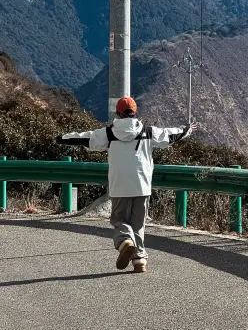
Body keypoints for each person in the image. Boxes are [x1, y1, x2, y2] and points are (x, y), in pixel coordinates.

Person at [56, 96, 196, 273]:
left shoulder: (109, 133)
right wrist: (188, 129)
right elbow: (171, 135)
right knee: (138, 224)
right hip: (142, 185)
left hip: (120, 185)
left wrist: (61, 137)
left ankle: (125, 241)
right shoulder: (148, 131)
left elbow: (86, 138)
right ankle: (139, 260)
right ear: (135, 112)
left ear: (118, 113)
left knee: (119, 220)